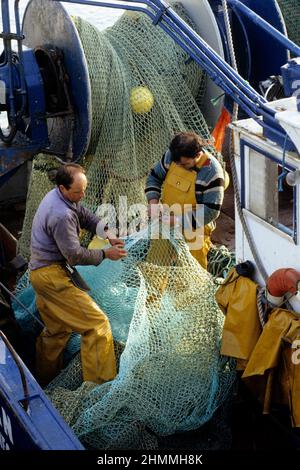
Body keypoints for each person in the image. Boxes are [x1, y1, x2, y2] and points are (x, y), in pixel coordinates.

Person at [29, 163, 127, 386]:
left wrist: (108, 233)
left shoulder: (60, 197)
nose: (82, 195)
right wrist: (106, 253)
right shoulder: (61, 215)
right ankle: (97, 389)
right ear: (63, 188)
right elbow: (74, 255)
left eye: (84, 190)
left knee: (57, 329)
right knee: (97, 325)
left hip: (39, 273)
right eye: (77, 192)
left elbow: (84, 214)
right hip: (51, 277)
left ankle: (44, 379)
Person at [145, 132, 224, 269]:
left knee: (193, 273)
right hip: (165, 222)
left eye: (185, 164)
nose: (179, 167)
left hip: (195, 229)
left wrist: (177, 221)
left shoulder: (212, 172)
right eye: (177, 164)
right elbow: (154, 177)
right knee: (154, 267)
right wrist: (153, 202)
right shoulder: (172, 156)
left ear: (198, 155)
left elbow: (211, 211)